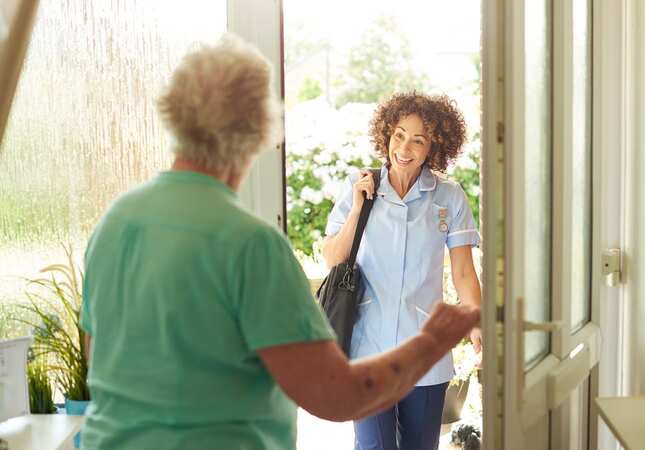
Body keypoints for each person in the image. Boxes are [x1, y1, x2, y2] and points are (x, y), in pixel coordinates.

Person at [78, 35, 479, 450]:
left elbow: (98, 357)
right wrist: (431, 343)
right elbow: (334, 393)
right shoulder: (252, 245)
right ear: (258, 132)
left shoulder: (116, 221)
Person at [323, 92, 482, 450]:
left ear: (433, 148)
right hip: (368, 349)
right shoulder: (360, 187)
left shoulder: (449, 198)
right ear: (386, 135)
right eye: (398, 134)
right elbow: (333, 257)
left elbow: (463, 273)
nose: (404, 147)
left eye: (418, 139)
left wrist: (476, 323)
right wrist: (356, 210)